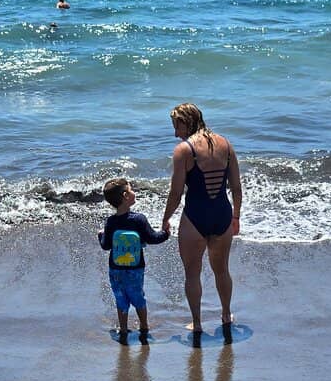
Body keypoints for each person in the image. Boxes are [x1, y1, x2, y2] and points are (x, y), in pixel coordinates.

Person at [162, 103, 242, 337]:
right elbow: (236, 188)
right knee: (222, 270)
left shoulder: (183, 151)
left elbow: (176, 194)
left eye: (176, 126)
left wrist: (165, 218)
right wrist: (235, 216)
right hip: (222, 216)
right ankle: (226, 315)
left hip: (195, 219)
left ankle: (197, 323)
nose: (176, 133)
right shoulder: (226, 145)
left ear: (186, 122)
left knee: (192, 273)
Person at [98, 176, 168, 342]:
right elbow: (152, 238)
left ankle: (123, 329)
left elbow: (106, 246)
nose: (134, 192)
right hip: (136, 268)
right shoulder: (139, 219)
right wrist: (166, 233)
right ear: (125, 196)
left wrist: (100, 235)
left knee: (121, 298)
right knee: (138, 296)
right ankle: (144, 325)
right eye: (131, 190)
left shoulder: (111, 222)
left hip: (115, 269)